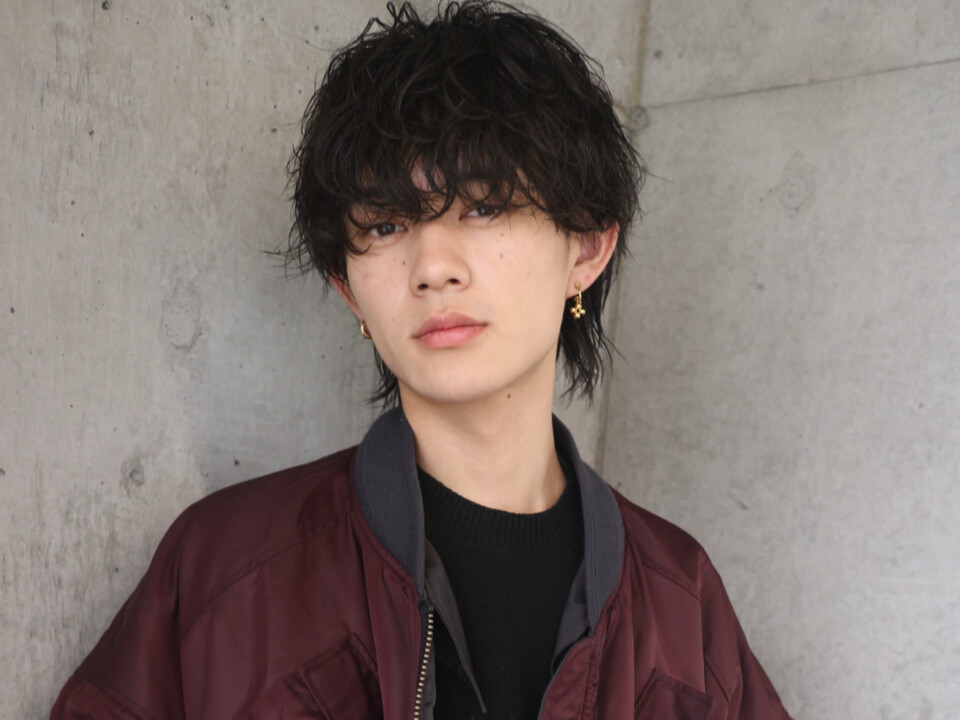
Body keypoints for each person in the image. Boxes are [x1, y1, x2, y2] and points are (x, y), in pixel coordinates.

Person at [51, 2, 793, 718]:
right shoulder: (226, 569)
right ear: (348, 287)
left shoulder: (683, 608)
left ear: (587, 248)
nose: (433, 267)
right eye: (385, 225)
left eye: (485, 207)